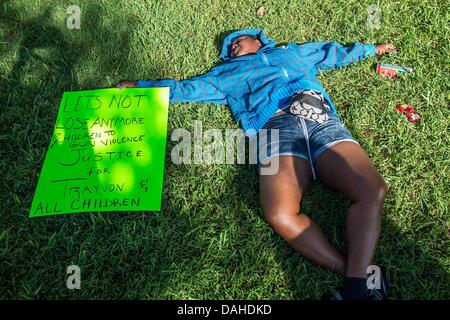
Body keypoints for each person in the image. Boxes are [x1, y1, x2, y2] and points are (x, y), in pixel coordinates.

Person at [118, 29, 396, 300]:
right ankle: (358, 281)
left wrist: (371, 50)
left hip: (320, 118)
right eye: (229, 49)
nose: (232, 47)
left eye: (237, 41)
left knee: (372, 189)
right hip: (275, 130)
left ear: (258, 39)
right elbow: (185, 89)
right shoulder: (225, 74)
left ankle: (355, 287)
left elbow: (329, 52)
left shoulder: (292, 53)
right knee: (280, 214)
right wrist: (141, 89)